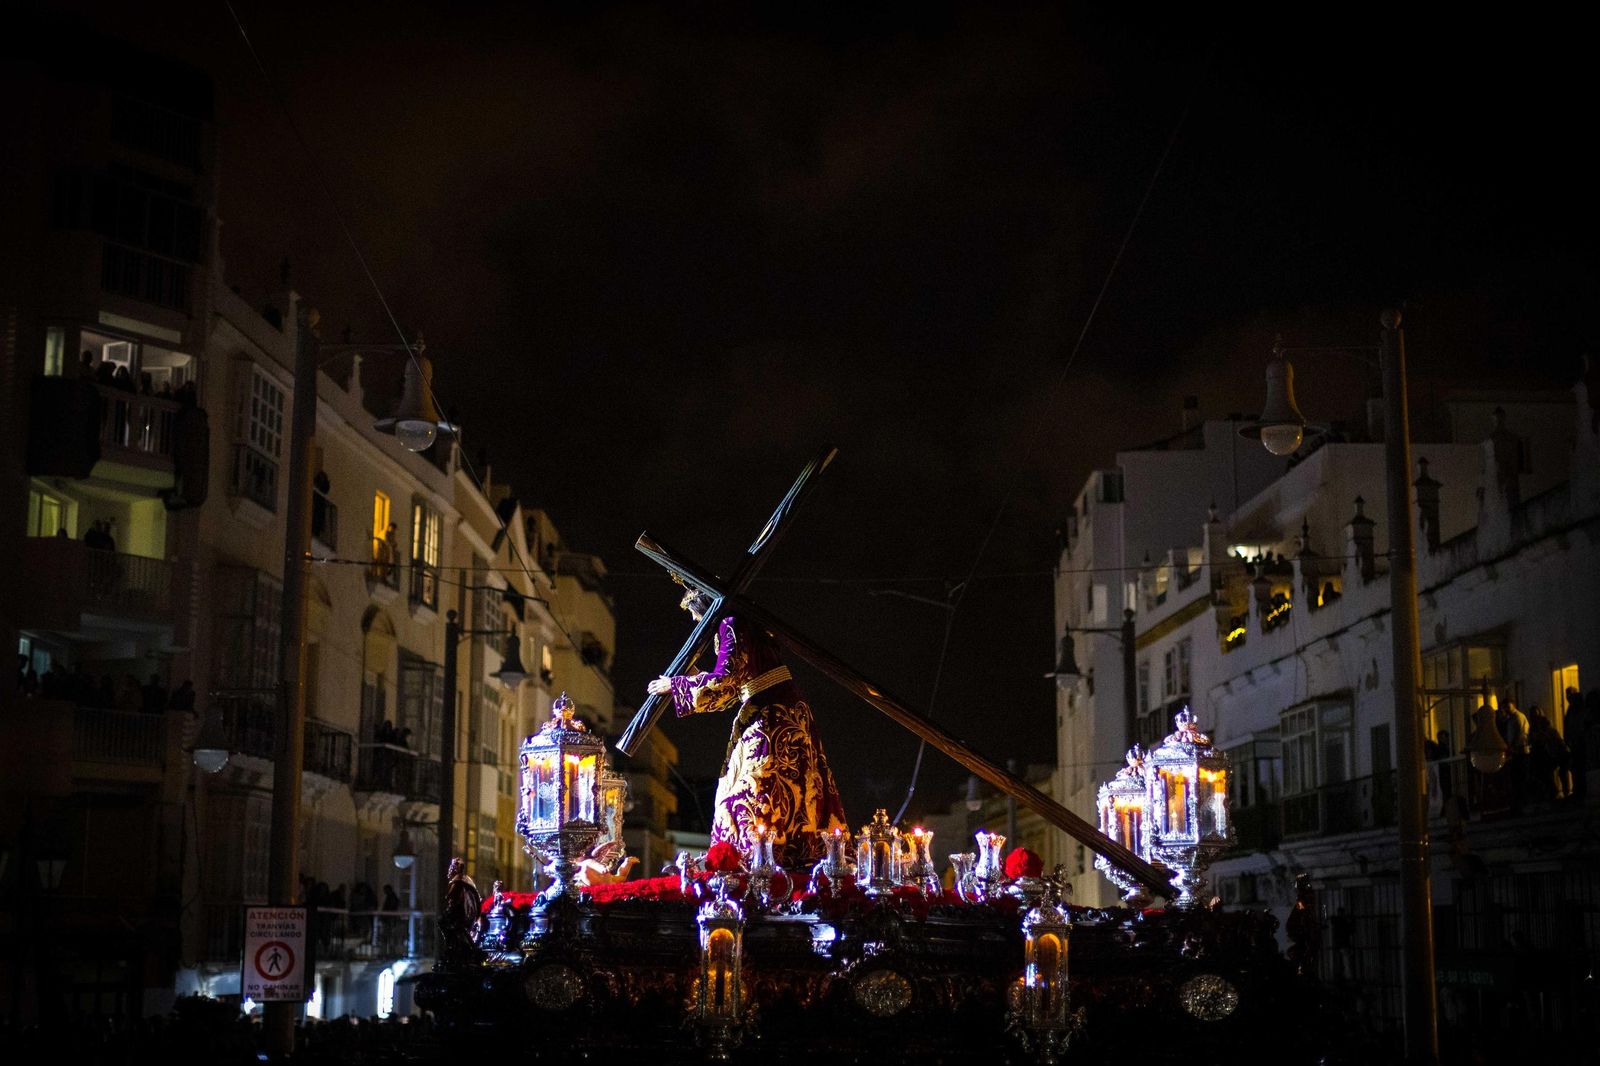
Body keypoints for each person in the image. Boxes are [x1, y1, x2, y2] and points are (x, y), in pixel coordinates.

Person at [647, 578, 847, 867]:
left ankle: (751, 861)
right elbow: (734, 686)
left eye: (694, 614)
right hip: (785, 712)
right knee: (792, 786)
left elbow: (726, 682)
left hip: (769, 715)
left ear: (705, 607)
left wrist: (676, 685)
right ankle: (790, 855)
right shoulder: (748, 625)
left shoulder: (729, 624)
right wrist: (693, 678)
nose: (694, 622)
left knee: (749, 791)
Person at [1565, 688, 1587, 800]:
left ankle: (1580, 791)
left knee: (1579, 767)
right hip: (1574, 743)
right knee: (1575, 767)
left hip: (1580, 743)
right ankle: (1577, 790)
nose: (1569, 697)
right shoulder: (1571, 710)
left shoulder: (1580, 711)